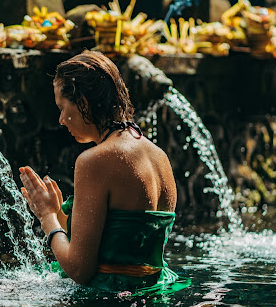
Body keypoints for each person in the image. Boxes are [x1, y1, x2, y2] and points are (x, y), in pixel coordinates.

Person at [19, 50, 189, 293]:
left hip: (111, 296)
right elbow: (119, 244)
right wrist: (59, 215)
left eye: (62, 107)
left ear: (83, 104)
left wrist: (46, 217)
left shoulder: (94, 161)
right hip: (156, 292)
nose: (60, 119)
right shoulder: (159, 157)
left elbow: (79, 270)